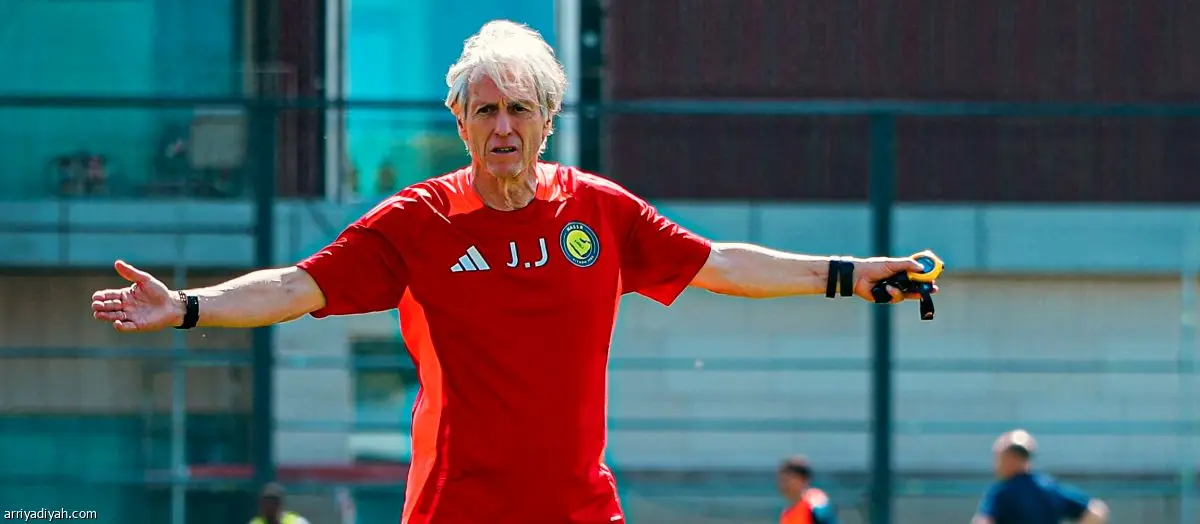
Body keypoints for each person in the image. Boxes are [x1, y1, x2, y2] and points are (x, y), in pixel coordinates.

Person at [90, 20, 938, 524]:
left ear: (548, 119)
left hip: (580, 507)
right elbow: (292, 286)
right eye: (486, 109)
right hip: (457, 509)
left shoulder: (598, 209)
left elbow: (717, 263)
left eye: (520, 108)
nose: (503, 126)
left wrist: (854, 274)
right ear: (460, 123)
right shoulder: (417, 220)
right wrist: (187, 305)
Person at [971, 429, 1109, 524]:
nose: (996, 465)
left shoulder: (1002, 492)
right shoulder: (1050, 488)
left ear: (1010, 458)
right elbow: (1096, 511)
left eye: (999, 458)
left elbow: (984, 521)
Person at [776, 455, 838, 524]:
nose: (784, 485)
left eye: (788, 480)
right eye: (781, 480)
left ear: (802, 480)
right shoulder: (787, 513)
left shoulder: (815, 501)